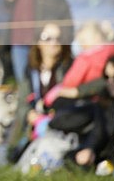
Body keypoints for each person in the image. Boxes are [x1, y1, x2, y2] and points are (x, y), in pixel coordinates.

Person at [6, 23, 73, 156]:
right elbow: (22, 104)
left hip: (61, 126)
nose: (54, 42)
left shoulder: (68, 67)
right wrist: (29, 115)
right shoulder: (30, 70)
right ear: (38, 42)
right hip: (35, 128)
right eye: (48, 38)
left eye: (58, 38)